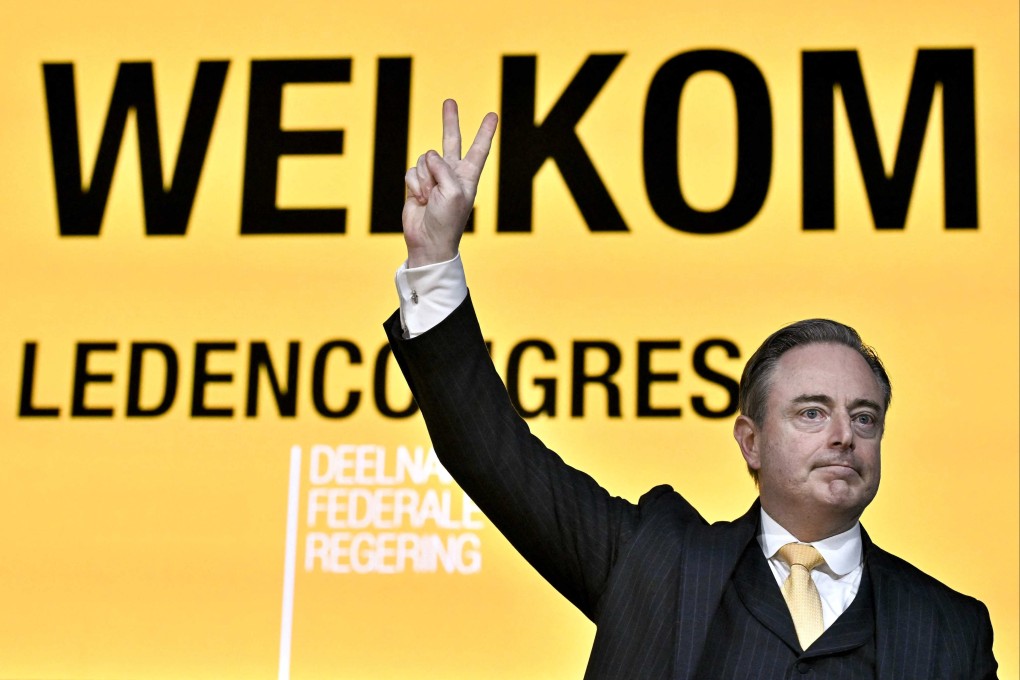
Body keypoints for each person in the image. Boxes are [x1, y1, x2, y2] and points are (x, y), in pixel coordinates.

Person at [383, 100, 998, 678]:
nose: (844, 435)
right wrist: (434, 261)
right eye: (812, 413)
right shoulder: (656, 561)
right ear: (750, 441)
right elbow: (494, 456)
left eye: (864, 418)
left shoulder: (952, 629)